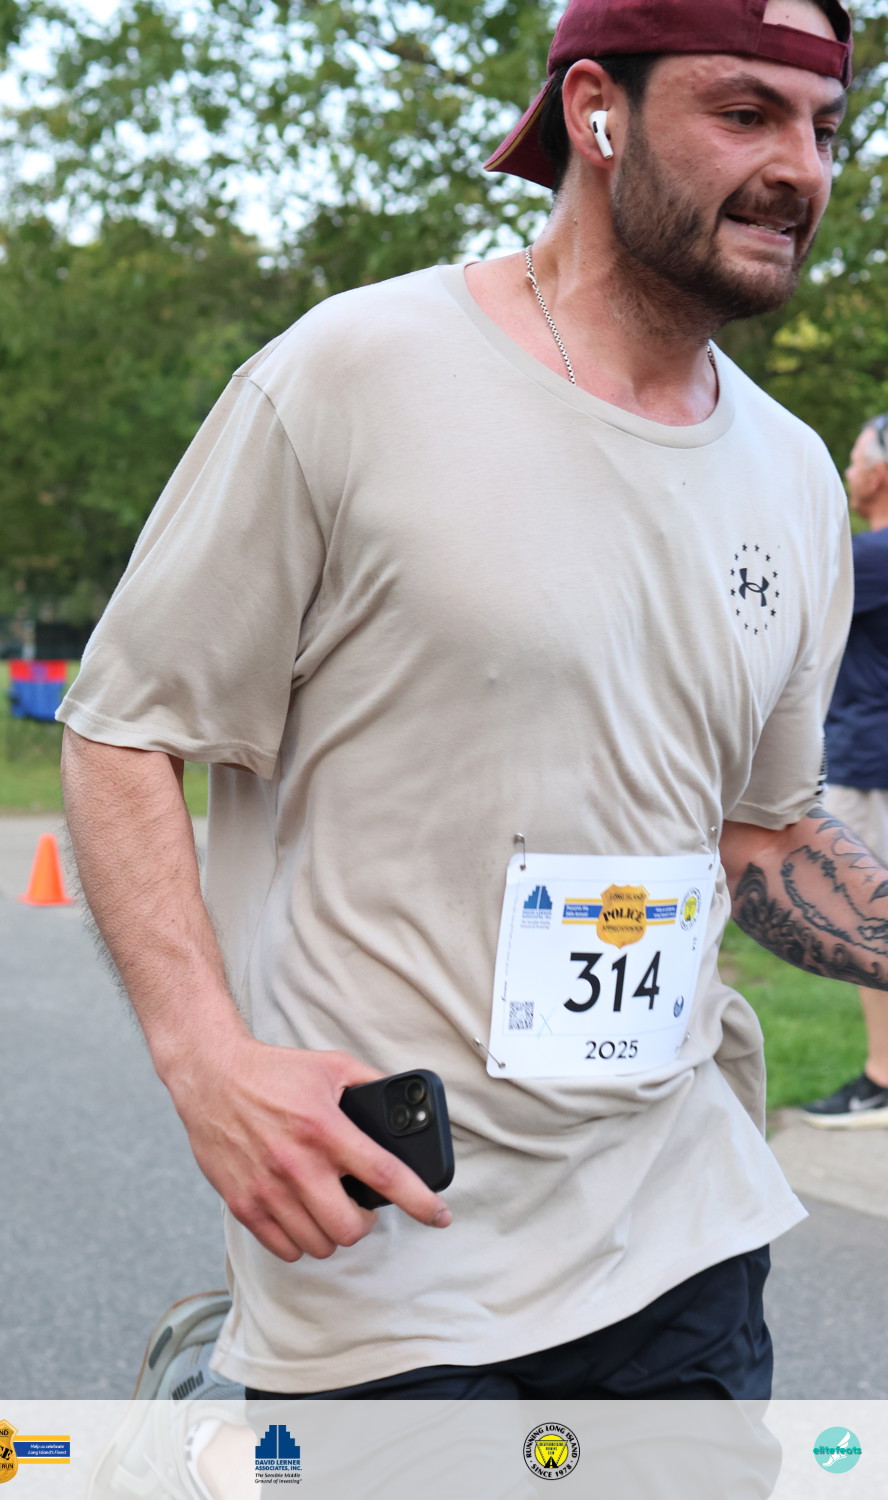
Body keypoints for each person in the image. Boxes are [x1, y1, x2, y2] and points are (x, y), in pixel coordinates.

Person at [57, 0, 881, 1403]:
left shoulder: (795, 472)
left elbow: (760, 831)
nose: (799, 167)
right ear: (595, 111)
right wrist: (205, 1062)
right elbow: (122, 729)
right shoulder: (356, 373)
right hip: (389, 1242)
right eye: (745, 112)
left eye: (824, 127)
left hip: (679, 1225)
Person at [803, 414, 888, 1126]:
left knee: (870, 922)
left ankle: (882, 1078)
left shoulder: (871, 556)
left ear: (881, 474)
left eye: (856, 459)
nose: (848, 472)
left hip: (871, 765)